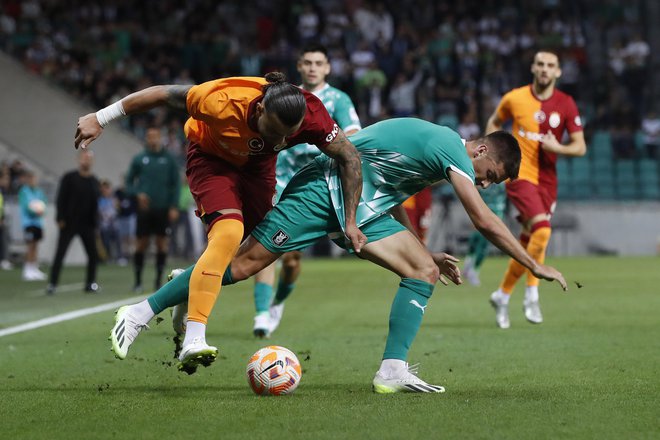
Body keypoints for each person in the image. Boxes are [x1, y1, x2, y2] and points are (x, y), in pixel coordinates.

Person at [109, 118, 567, 393]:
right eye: (491, 175)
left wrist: (423, 248)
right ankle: (141, 310)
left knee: (424, 270)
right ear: (482, 149)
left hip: (361, 209)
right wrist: (533, 263)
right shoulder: (452, 149)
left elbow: (385, 193)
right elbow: (484, 220)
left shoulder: (437, 150)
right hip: (323, 192)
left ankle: (392, 370)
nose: (485, 183)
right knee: (243, 265)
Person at [76, 73, 365, 369]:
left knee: (250, 257)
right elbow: (163, 93)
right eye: (274, 131)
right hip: (211, 160)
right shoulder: (221, 100)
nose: (279, 141)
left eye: (285, 136)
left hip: (257, 169)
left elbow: (350, 158)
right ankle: (183, 332)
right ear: (261, 108)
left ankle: (183, 286)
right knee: (228, 233)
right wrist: (101, 117)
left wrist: (351, 221)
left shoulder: (311, 114)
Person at [251, 43, 362, 338]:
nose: (313, 67)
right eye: (308, 62)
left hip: (312, 181)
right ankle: (261, 312)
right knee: (264, 241)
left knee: (291, 259)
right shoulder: (287, 97)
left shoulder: (338, 99)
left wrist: (328, 141)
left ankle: (277, 302)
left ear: (327, 68)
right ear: (299, 66)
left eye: (318, 63)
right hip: (280, 177)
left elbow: (354, 135)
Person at [486, 50, 586, 329]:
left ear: (558, 72)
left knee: (532, 242)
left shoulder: (566, 103)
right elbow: (494, 122)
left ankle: (502, 295)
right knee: (542, 230)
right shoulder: (515, 98)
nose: (544, 69)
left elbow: (580, 146)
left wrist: (559, 148)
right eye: (540, 64)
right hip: (519, 176)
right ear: (533, 68)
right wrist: (494, 155)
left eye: (550, 65)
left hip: (548, 181)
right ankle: (532, 293)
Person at [125, 126, 181, 291]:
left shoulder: (169, 159)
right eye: (149, 136)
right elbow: (128, 182)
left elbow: (176, 185)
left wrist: (174, 206)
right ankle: (138, 281)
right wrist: (137, 194)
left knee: (161, 244)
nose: (152, 139)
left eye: (155, 136)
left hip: (163, 209)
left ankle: (158, 281)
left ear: (160, 137)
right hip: (144, 210)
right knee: (141, 244)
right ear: (146, 138)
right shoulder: (139, 158)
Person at [46, 150, 101, 295]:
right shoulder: (69, 178)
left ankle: (90, 283)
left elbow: (95, 204)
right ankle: (52, 283)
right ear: (78, 160)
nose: (86, 161)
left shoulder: (94, 181)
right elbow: (61, 198)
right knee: (60, 254)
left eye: (89, 158)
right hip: (69, 223)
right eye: (84, 158)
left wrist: (96, 223)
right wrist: (60, 218)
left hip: (88, 225)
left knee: (93, 255)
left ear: (92, 161)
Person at [462, 183, 507, 286]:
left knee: (483, 244)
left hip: (494, 214)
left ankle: (474, 272)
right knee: (474, 239)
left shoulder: (502, 181)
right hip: (481, 212)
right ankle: (468, 268)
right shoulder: (486, 177)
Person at [18, 170, 47, 281]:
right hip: (28, 223)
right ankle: (27, 269)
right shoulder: (24, 191)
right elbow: (25, 206)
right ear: (27, 179)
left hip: (38, 223)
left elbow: (43, 204)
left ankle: (34, 268)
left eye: (34, 178)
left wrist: (42, 211)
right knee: (30, 245)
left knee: (36, 245)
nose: (32, 181)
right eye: (30, 178)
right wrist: (35, 211)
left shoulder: (39, 191)